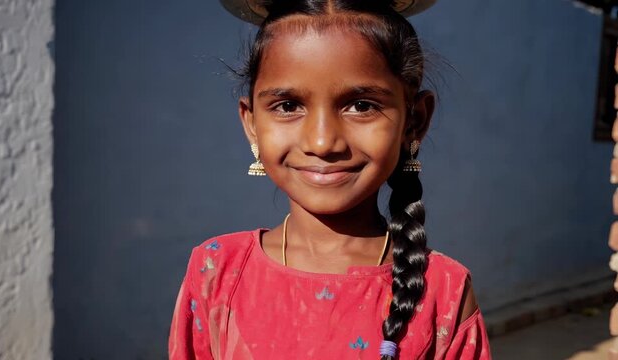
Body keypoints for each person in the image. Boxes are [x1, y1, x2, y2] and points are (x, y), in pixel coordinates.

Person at [169, 0, 491, 359]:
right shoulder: (217, 271)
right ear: (252, 124)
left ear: (414, 120)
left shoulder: (443, 290)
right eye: (288, 106)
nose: (322, 142)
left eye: (362, 105)